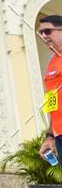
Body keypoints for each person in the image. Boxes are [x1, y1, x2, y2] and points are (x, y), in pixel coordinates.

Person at [37, 14, 62, 163]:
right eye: (41, 33)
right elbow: (52, 102)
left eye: (47, 31)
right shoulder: (52, 63)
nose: (44, 36)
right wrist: (50, 136)